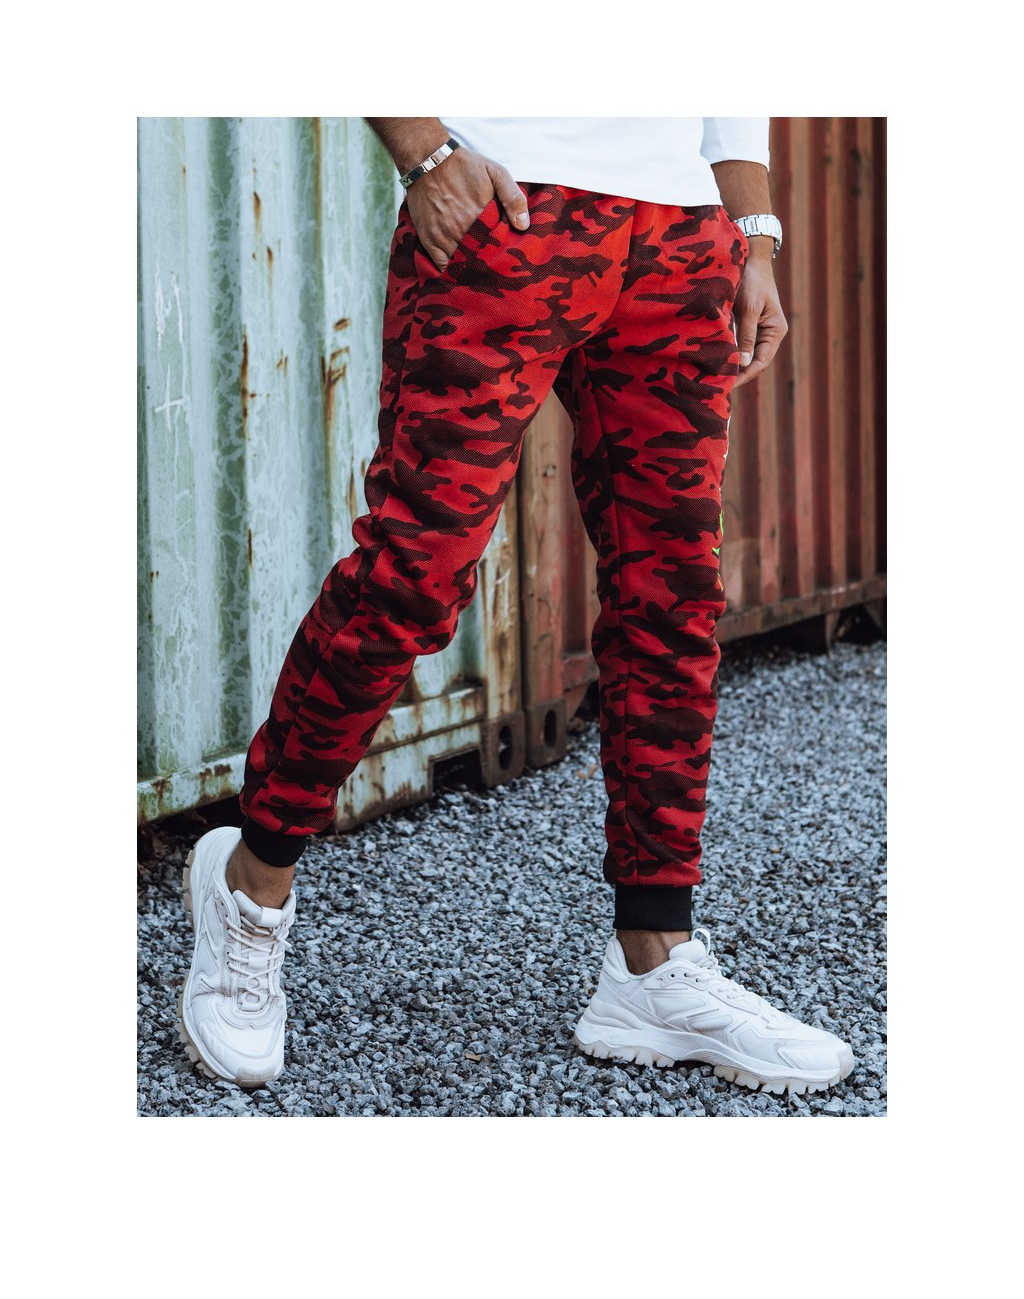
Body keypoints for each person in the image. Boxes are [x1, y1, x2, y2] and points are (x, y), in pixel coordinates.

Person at [178, 116, 854, 1097]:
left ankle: (653, 963)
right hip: (507, 213)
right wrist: (425, 154)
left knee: (672, 598)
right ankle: (250, 886)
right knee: (413, 574)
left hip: (677, 237)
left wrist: (752, 229)